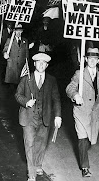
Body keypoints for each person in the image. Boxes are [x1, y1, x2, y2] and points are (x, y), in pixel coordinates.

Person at [66, 47, 99, 177]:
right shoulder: (79, 74)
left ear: (98, 61)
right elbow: (70, 88)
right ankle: (85, 167)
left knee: (91, 140)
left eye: (95, 59)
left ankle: (84, 157)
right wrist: (75, 95)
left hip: (95, 112)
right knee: (82, 139)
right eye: (89, 58)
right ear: (86, 59)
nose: (92, 61)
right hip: (81, 111)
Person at [15, 52, 62, 181]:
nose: (41, 65)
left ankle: (38, 164)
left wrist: (58, 116)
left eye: (44, 63)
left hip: (44, 118)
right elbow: (17, 95)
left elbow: (56, 99)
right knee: (29, 145)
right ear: (34, 63)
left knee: (41, 144)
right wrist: (26, 102)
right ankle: (31, 175)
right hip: (28, 118)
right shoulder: (26, 79)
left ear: (47, 65)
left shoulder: (51, 80)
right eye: (38, 62)